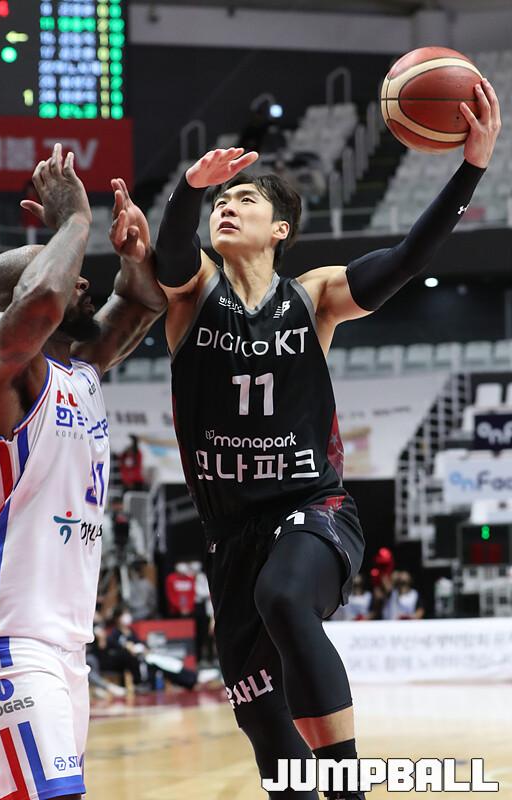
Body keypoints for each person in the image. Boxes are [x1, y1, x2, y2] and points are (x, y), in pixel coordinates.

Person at [152, 78, 500, 799]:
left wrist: (472, 167)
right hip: (229, 535)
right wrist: (189, 188)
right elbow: (170, 258)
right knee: (266, 730)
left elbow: (404, 260)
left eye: (243, 200)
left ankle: (349, 787)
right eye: (220, 202)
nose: (225, 206)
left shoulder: (313, 296)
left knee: (285, 597)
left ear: (281, 229)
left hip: (313, 509)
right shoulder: (193, 298)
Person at [0, 145, 166, 800]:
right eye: (69, 276)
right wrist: (74, 221)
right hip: (2, 632)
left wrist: (133, 254)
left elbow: (141, 304)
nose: (82, 283)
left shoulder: (79, 371)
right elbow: (39, 306)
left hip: (62, 641)